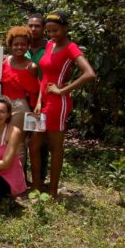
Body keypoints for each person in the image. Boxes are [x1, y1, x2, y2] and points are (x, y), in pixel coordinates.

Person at [29, 11, 96, 198]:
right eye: (49, 31)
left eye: (55, 30)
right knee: (33, 146)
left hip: (58, 104)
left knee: (55, 148)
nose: (52, 35)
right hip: (42, 103)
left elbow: (89, 73)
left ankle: (52, 193)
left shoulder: (70, 47)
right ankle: (36, 188)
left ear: (65, 28)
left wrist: (63, 90)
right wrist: (39, 101)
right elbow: (45, 77)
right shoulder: (49, 45)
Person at [1, 26, 39, 172]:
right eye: (16, 44)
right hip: (2, 106)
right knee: (3, 141)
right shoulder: (4, 62)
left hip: (20, 106)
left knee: (18, 144)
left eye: (23, 44)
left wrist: (34, 119)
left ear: (28, 46)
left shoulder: (31, 66)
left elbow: (34, 93)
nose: (19, 47)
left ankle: (19, 182)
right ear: (10, 45)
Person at [26, 13, 49, 180]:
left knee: (39, 142)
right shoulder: (20, 45)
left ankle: (39, 179)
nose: (33, 29)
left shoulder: (50, 48)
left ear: (44, 29)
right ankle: (20, 179)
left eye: (37, 26)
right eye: (30, 25)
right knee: (21, 141)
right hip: (22, 100)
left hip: (41, 101)